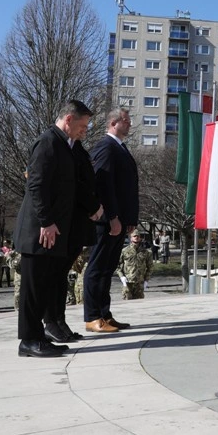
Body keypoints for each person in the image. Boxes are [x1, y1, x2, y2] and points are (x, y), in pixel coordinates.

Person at [13, 99, 93, 358]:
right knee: (33, 289)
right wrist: (46, 221)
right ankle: (28, 340)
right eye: (82, 125)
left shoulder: (65, 146)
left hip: (51, 232)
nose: (85, 130)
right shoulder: (47, 143)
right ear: (68, 119)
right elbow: (35, 186)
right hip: (38, 231)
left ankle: (39, 336)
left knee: (44, 286)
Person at [84, 107, 138, 334]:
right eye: (126, 120)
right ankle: (92, 317)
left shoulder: (120, 148)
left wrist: (130, 219)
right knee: (97, 268)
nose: (129, 124)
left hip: (120, 220)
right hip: (107, 221)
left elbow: (126, 188)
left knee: (107, 269)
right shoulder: (106, 147)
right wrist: (113, 217)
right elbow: (103, 186)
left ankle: (105, 314)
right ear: (114, 122)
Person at [44, 135, 101, 344]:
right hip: (69, 219)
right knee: (55, 275)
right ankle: (51, 321)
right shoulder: (63, 148)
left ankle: (59, 321)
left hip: (77, 221)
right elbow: (76, 184)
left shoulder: (76, 148)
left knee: (60, 275)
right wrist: (94, 205)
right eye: (83, 125)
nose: (85, 131)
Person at [119, 230, 152, 299]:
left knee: (139, 304)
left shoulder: (145, 252)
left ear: (140, 238)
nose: (136, 237)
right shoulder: (124, 251)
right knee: (127, 304)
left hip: (140, 283)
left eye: (138, 236)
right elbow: (119, 265)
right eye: (134, 236)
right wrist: (122, 276)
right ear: (131, 238)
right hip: (128, 282)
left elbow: (150, 267)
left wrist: (146, 280)